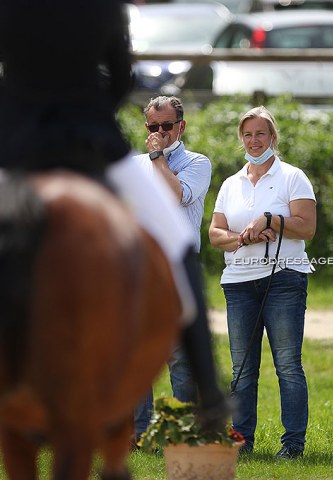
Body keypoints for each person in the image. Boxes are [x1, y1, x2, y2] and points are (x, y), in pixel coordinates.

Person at [0, 0, 228, 434]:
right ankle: (209, 391)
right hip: (91, 141)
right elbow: (121, 76)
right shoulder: (102, 7)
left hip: (16, 142)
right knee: (176, 242)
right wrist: (90, 106)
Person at [209, 105, 316, 459]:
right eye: (248, 134)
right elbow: (215, 234)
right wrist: (244, 237)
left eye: (261, 134)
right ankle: (242, 441)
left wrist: (270, 218)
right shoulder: (230, 183)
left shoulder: (292, 177)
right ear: (242, 138)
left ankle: (293, 445)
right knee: (242, 369)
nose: (254, 141)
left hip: (284, 278)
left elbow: (307, 227)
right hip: (238, 282)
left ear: (273, 137)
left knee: (287, 365)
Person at [132, 95, 212, 441]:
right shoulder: (133, 166)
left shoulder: (197, 162)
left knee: (180, 359)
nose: (160, 132)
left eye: (167, 126)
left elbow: (176, 196)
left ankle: (181, 432)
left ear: (181, 126)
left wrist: (157, 158)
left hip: (179, 270)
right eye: (153, 127)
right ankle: (137, 432)